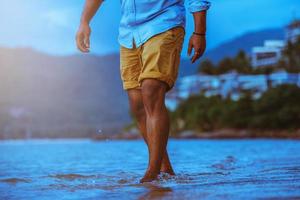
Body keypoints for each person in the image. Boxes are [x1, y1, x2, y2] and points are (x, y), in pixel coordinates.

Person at [76, 0, 211, 183]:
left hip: (164, 23)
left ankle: (151, 175)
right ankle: (165, 170)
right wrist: (84, 21)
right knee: (137, 105)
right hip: (129, 33)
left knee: (151, 89)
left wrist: (199, 32)